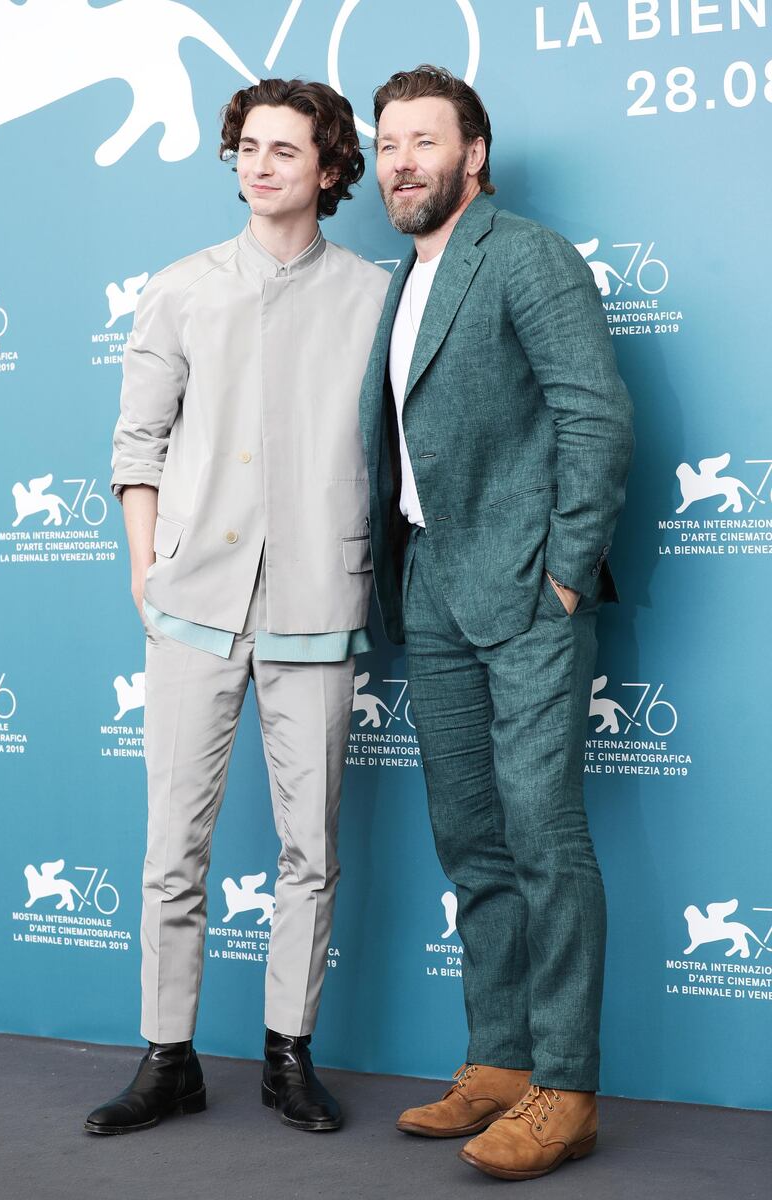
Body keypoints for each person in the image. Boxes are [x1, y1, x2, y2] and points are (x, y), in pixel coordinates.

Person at [85, 78, 389, 1136]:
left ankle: (285, 1057)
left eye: (283, 150)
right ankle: (168, 1058)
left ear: (331, 168)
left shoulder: (375, 295)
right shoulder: (178, 288)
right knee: (174, 847)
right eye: (245, 148)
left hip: (316, 599)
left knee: (310, 844)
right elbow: (138, 443)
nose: (259, 166)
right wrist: (145, 565)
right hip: (193, 603)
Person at [359, 65, 633, 1180]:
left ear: (472, 154)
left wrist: (561, 576)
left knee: (540, 836)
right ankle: (500, 1063)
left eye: (423, 141)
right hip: (429, 588)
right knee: (469, 837)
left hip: (524, 592)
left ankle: (564, 1090)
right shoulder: (399, 281)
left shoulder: (522, 253)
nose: (401, 163)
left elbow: (593, 415)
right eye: (386, 146)